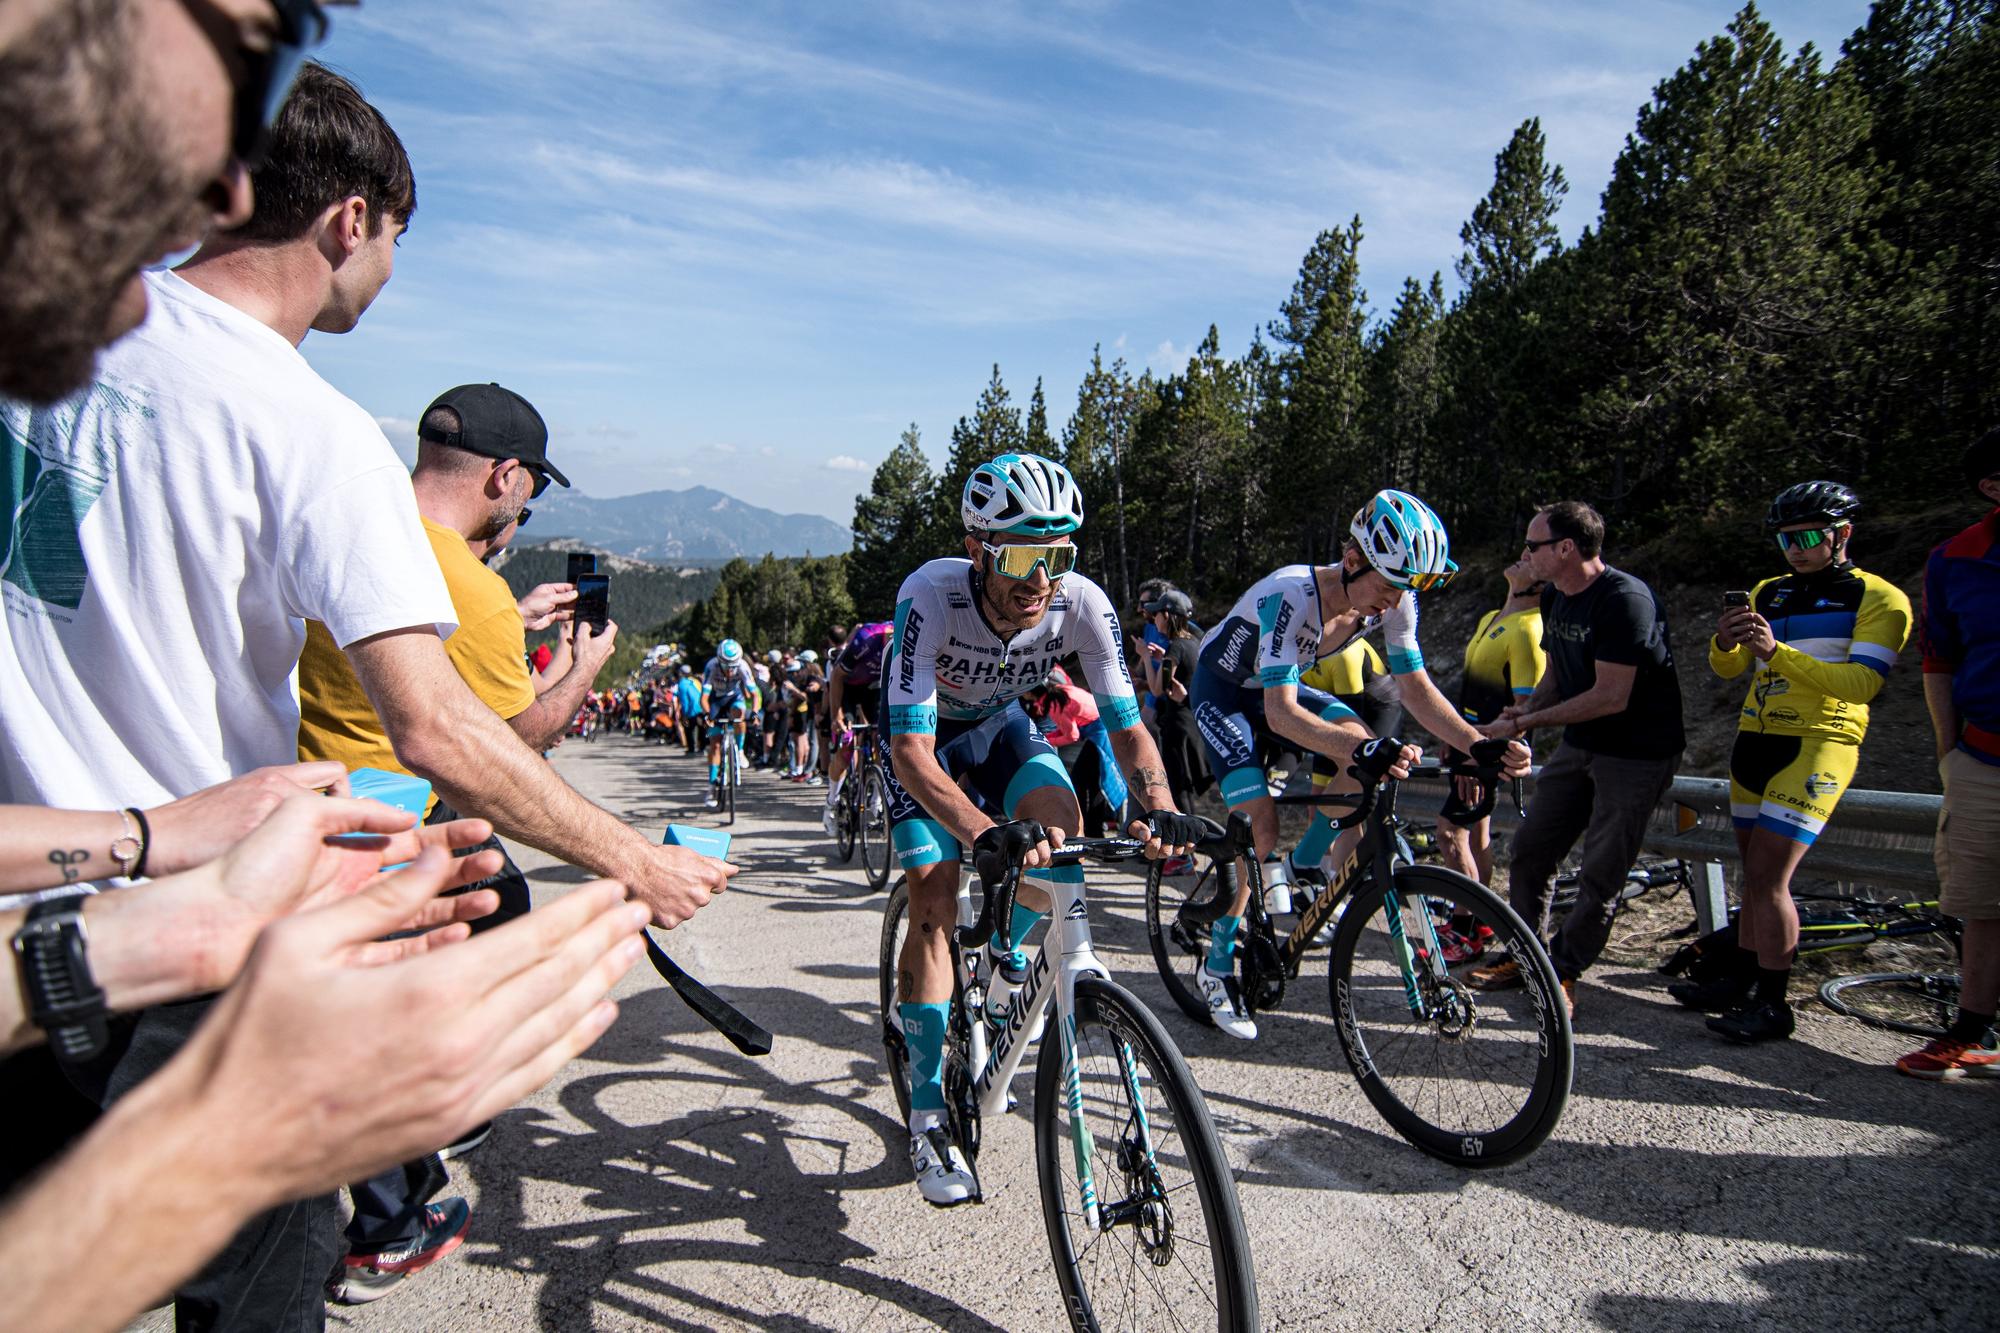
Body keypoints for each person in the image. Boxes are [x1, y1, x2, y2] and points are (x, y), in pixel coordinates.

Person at [0, 65, 728, 1328]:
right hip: (191, 933)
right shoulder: (308, 424)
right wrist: (633, 860)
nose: (387, 269)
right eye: (396, 239)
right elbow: (433, 724)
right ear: (349, 220)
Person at [883, 452, 1201, 1207]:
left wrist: (1157, 804)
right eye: (1022, 554)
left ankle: (999, 977)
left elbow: (1129, 729)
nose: (1039, 579)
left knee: (1061, 834)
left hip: (999, 729)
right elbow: (909, 752)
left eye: (1057, 556)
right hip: (925, 745)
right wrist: (981, 829)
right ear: (977, 549)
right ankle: (928, 1114)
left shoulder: (1081, 603)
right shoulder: (929, 594)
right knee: (936, 886)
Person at [1188, 490, 1531, 1039]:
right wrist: (1361, 750)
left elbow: (1414, 687)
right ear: (1352, 561)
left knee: (1362, 744)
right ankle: (1219, 961)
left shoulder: (1396, 599)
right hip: (1225, 691)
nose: (1396, 603)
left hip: (1278, 686)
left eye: (1408, 590)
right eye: (1389, 587)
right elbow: (1280, 715)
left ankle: (1304, 865)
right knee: (1261, 824)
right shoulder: (1290, 595)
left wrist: (1475, 744)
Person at [1685, 482, 1913, 1043]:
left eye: (1808, 537)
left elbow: (1862, 684)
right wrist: (1726, 642)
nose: (1795, 548)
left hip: (1818, 743)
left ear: (1842, 535)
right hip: (1754, 740)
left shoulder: (1880, 598)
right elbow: (1726, 671)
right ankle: (1740, 980)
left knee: (1769, 877)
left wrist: (1776, 653)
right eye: (1786, 538)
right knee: (1751, 874)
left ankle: (1775, 1003)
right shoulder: (1770, 591)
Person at [1472, 502, 1684, 1021]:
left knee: (1601, 870)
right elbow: (1560, 674)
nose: (1525, 555)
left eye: (1533, 546)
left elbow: (1611, 694)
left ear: (1566, 548)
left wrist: (1524, 726)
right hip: (1581, 744)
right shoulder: (1557, 599)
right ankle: (1527, 957)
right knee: (1531, 850)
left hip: (1635, 752)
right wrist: (1525, 708)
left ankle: (1563, 968)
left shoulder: (1624, 599)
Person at [1904, 431, 2000, 1078]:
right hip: (1983, 758)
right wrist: (1949, 752)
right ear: (1992, 486)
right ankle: (1971, 1030)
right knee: (1982, 903)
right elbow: (1938, 656)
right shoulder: (1955, 558)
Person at [1429, 557, 1546, 963]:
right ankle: (1478, 920)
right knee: (1476, 838)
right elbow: (1474, 693)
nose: (1523, 556)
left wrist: (1481, 758)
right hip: (1468, 744)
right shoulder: (1493, 618)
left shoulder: (1531, 628)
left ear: (1541, 584)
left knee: (1449, 834)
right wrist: (1453, 735)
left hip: (1485, 752)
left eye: (1533, 557)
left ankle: (1463, 931)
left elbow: (1523, 708)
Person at [1138, 589, 1207, 872]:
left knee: (1179, 793)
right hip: (1191, 725)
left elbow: (1158, 688)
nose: (1153, 619)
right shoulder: (1192, 644)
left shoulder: (1176, 647)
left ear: (1167, 616)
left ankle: (1183, 857)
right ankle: (1186, 856)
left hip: (1178, 729)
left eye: (1156, 614)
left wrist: (1145, 658)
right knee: (1184, 790)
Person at [824, 618, 892, 836]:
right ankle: (831, 801)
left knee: (884, 740)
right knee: (846, 744)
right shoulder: (867, 639)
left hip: (874, 687)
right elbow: (836, 676)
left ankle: (877, 796)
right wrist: (837, 716)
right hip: (847, 687)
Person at [701, 640, 761, 808]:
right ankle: (712, 785)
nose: (730, 670)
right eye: (726, 666)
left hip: (735, 698)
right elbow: (704, 698)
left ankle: (740, 750)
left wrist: (755, 712)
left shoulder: (742, 666)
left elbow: (755, 694)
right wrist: (707, 715)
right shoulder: (711, 666)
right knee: (715, 744)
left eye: (733, 666)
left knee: (740, 714)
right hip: (716, 700)